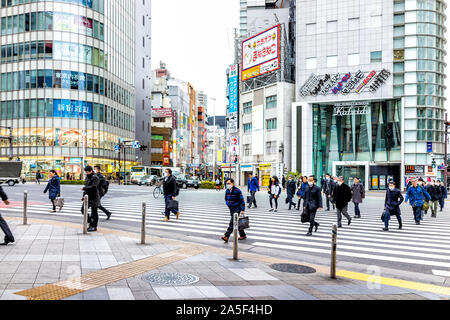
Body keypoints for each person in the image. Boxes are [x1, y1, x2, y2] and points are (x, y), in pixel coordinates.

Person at [221, 178, 247, 243]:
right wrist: (228, 204)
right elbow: (226, 198)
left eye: (229, 183)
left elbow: (242, 201)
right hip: (231, 208)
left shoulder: (237, 191)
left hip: (237, 208)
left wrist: (242, 210)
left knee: (232, 222)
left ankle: (226, 236)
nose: (228, 185)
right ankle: (243, 235)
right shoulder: (227, 191)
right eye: (227, 183)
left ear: (232, 183)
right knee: (236, 222)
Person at [81, 166, 101, 232]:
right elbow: (86, 186)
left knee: (94, 212)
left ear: (91, 171)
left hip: (94, 197)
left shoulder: (95, 178)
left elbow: (94, 187)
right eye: (86, 172)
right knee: (83, 210)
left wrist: (84, 188)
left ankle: (94, 226)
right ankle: (90, 222)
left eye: (87, 172)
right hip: (87, 197)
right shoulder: (87, 177)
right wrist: (83, 196)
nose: (86, 173)